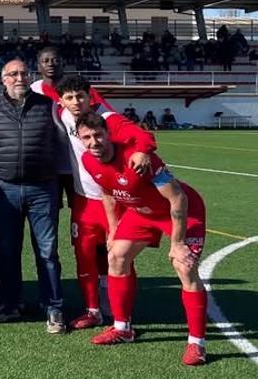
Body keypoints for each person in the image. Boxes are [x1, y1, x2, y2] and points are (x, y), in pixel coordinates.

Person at [75, 112, 209, 365]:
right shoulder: (88, 160)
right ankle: (122, 328)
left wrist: (177, 243)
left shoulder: (137, 159)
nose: (94, 142)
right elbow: (108, 191)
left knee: (185, 267)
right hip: (140, 213)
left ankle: (197, 344)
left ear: (108, 135)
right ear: (80, 139)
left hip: (182, 212)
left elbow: (178, 198)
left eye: (98, 135)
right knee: (116, 257)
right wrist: (113, 229)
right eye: (87, 137)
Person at [55, 75, 156, 330]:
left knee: (120, 255)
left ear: (91, 97)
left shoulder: (108, 120)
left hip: (115, 200)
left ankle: (124, 314)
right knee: (84, 255)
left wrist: (144, 150)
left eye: (81, 96)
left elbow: (142, 136)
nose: (76, 102)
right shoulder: (63, 116)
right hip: (83, 201)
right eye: (70, 97)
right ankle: (93, 311)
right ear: (61, 101)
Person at [0, 58, 66, 333]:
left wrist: (64, 185)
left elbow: (65, 145)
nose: (19, 78)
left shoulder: (48, 106)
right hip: (5, 190)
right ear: (3, 80)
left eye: (24, 73)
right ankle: (10, 303)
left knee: (47, 251)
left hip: (43, 189)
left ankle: (53, 306)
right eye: (13, 74)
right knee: (6, 251)